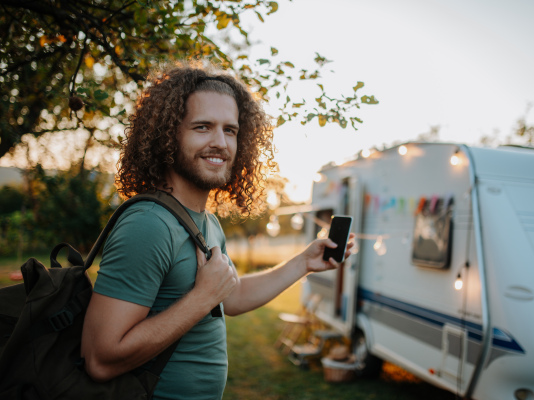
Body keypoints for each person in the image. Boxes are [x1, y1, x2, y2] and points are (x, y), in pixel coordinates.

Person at [80, 61, 354, 400]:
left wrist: (303, 263)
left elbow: (231, 297)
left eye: (230, 130)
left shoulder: (206, 221)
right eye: (202, 127)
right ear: (167, 135)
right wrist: (202, 298)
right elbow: (100, 359)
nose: (220, 143)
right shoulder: (148, 224)